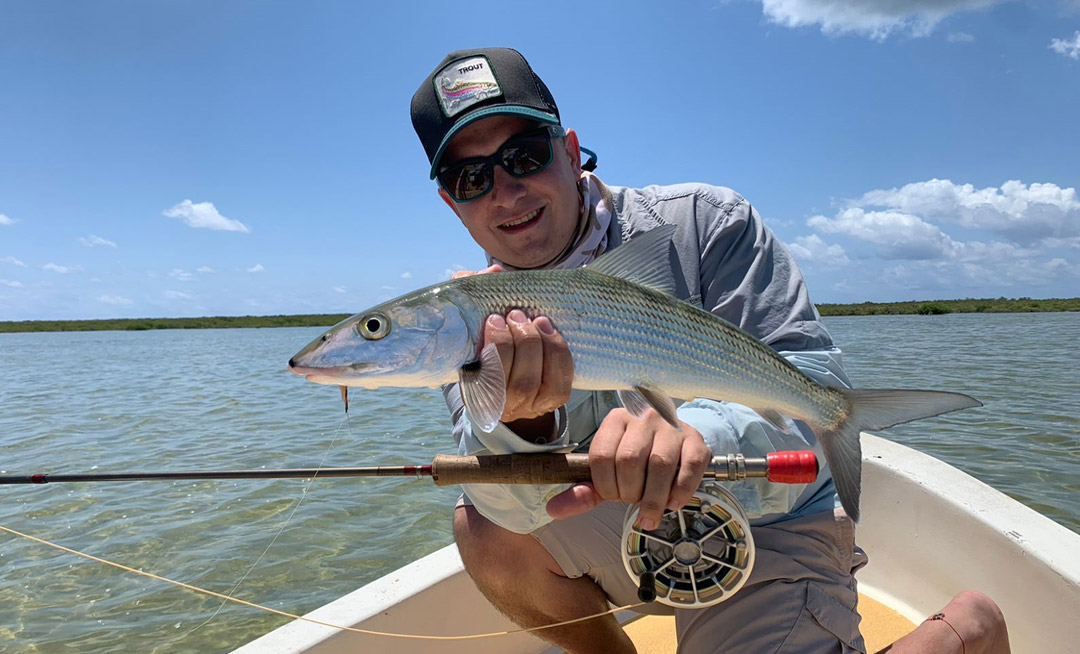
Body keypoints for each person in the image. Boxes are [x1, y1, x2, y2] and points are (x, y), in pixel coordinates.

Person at [410, 47, 1010, 654]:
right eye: (471, 178)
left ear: (568, 152)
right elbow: (511, 509)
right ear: (450, 202)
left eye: (525, 156)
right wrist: (523, 424)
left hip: (767, 513)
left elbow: (810, 377)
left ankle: (965, 630)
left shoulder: (706, 222)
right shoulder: (461, 317)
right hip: (618, 514)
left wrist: (688, 435)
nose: (505, 192)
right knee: (483, 526)